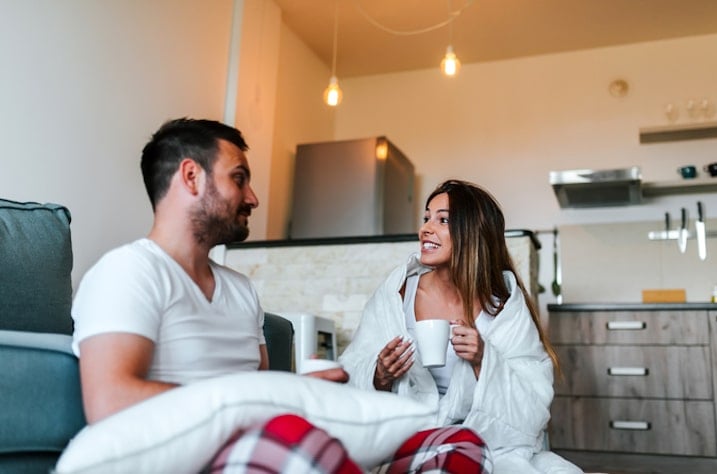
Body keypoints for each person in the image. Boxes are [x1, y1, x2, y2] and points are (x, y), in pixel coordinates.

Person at [71, 119, 492, 473]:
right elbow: (109, 403)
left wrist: (298, 388)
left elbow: (262, 387)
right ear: (191, 176)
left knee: (456, 444)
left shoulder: (240, 290)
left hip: (268, 437)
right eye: (239, 178)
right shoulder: (128, 272)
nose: (253, 197)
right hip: (195, 455)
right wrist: (251, 398)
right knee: (295, 441)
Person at [339, 179, 583, 473]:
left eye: (443, 220)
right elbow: (351, 369)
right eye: (427, 217)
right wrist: (379, 374)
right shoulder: (398, 293)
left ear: (472, 233)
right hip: (411, 433)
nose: (426, 228)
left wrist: (483, 358)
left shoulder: (503, 306)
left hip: (486, 439)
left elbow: (533, 403)